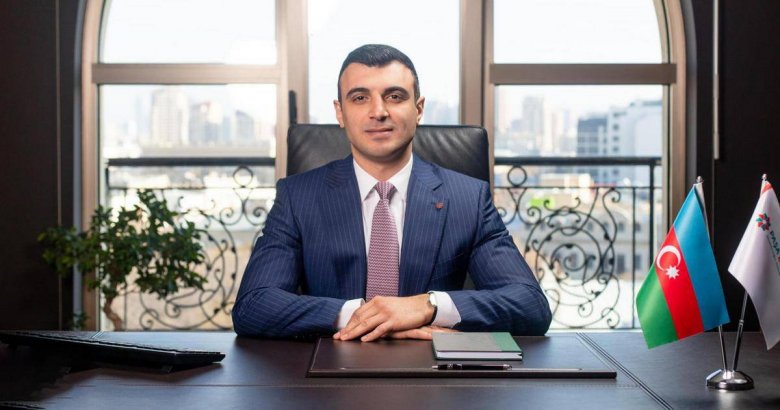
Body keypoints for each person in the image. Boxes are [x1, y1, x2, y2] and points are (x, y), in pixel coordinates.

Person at [233, 44, 551, 341]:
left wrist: (427, 306)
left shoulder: (468, 198)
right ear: (340, 112)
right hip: (331, 368)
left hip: (433, 371)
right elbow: (253, 305)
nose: (378, 111)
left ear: (419, 108)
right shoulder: (298, 197)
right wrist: (364, 316)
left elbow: (530, 305)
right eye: (360, 98)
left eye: (395, 96)